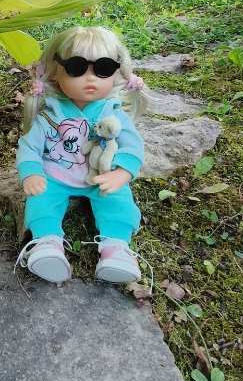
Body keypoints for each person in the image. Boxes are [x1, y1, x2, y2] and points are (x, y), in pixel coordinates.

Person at [15, 26, 149, 285]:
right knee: (41, 200)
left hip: (101, 174)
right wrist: (31, 172)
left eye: (103, 68)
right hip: (55, 175)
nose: (91, 79)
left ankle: (116, 247)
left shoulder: (113, 114)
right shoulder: (49, 116)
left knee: (118, 201)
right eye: (76, 68)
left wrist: (121, 172)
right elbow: (29, 146)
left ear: (116, 72)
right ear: (55, 72)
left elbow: (133, 146)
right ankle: (47, 243)